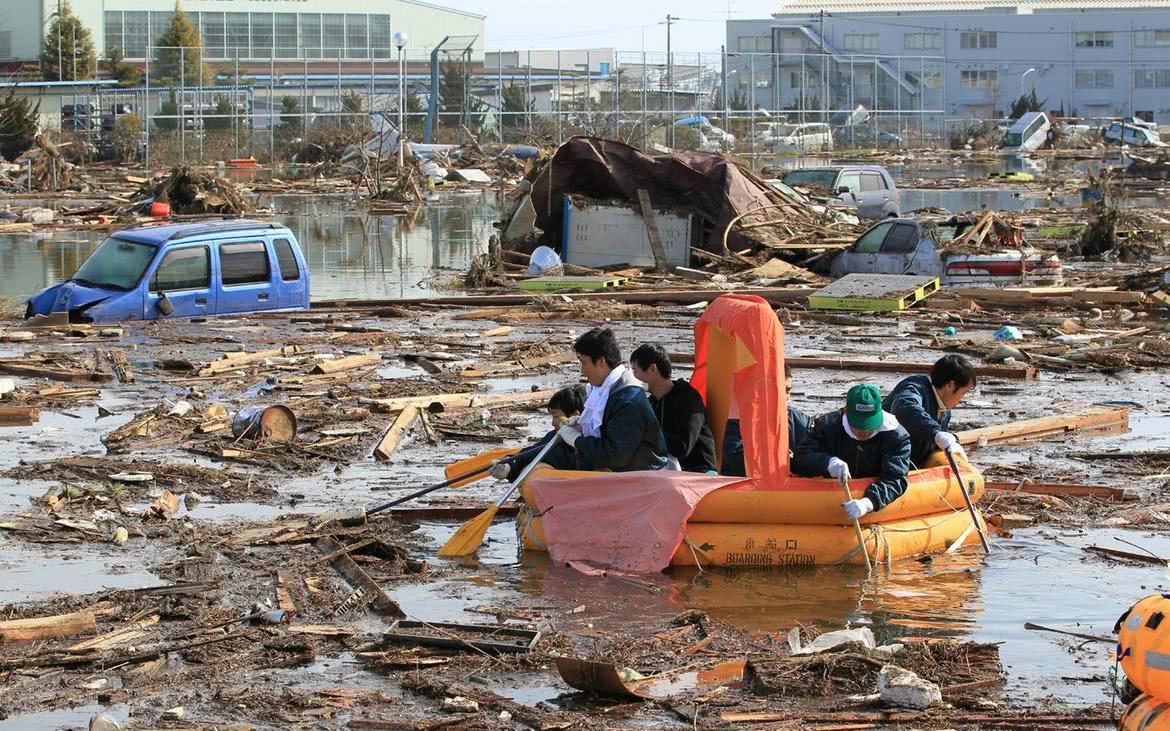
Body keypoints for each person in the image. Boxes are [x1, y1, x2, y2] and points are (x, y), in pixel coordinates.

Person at [496, 328, 668, 477]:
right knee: (555, 437)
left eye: (584, 363)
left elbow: (614, 455)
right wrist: (576, 427)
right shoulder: (604, 389)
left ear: (601, 362)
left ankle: (514, 467)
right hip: (615, 460)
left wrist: (577, 440)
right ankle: (511, 463)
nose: (582, 370)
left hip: (636, 470)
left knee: (559, 452)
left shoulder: (628, 400)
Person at [791, 383, 912, 521]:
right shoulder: (827, 426)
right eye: (859, 424)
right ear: (847, 412)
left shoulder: (896, 436)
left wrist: (868, 502)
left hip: (868, 498)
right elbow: (800, 459)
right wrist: (828, 463)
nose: (865, 431)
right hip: (828, 502)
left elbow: (895, 478)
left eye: (870, 424)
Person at [629, 344, 716, 473]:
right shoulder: (651, 402)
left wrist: (648, 435)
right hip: (666, 470)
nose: (633, 377)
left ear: (652, 369)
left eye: (635, 371)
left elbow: (682, 447)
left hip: (698, 471)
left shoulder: (688, 398)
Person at [883, 354, 976, 467]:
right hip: (885, 461)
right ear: (950, 385)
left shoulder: (944, 409)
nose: (962, 398)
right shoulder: (914, 388)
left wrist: (953, 441)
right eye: (963, 393)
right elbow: (906, 408)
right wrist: (937, 434)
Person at [721, 363, 811, 477]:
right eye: (779, 390)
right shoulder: (740, 420)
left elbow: (814, 450)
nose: (786, 397)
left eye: (788, 390)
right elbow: (734, 462)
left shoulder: (800, 422)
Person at [490, 385, 586, 481]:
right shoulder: (555, 439)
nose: (553, 423)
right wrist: (509, 466)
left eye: (556, 416)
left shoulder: (594, 444)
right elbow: (529, 455)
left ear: (575, 416)